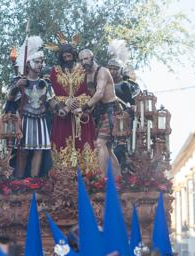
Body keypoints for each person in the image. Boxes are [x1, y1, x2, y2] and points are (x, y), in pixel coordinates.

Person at [46, 36, 95, 169]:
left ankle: (87, 176)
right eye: (64, 57)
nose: (67, 59)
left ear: (74, 55)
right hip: (63, 116)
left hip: (81, 113)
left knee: (84, 143)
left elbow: (90, 91)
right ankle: (62, 175)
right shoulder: (55, 71)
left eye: (69, 56)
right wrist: (66, 102)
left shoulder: (84, 70)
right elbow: (51, 94)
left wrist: (77, 103)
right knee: (62, 144)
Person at [7, 36, 52, 178]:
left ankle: (34, 181)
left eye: (41, 62)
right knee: (23, 151)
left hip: (41, 119)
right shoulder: (19, 81)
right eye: (37, 61)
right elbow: (10, 98)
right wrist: (16, 87)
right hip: (24, 119)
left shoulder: (45, 83)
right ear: (28, 63)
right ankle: (20, 182)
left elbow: (52, 100)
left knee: (39, 150)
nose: (40, 64)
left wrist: (61, 109)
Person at [79, 49, 121, 176]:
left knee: (100, 143)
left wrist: (84, 107)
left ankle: (102, 179)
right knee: (107, 147)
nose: (83, 62)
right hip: (98, 111)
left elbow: (99, 93)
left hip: (110, 110)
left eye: (86, 59)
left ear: (92, 58)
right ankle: (118, 177)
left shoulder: (102, 71)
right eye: (81, 60)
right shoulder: (86, 74)